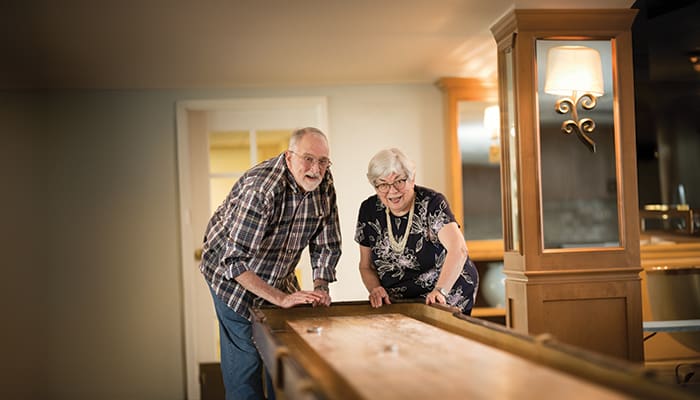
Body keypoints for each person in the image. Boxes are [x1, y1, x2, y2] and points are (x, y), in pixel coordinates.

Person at [199, 127, 342, 400]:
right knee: (247, 360)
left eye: (323, 161)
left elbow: (327, 243)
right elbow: (234, 261)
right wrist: (281, 298)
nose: (316, 168)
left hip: (278, 271)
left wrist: (321, 286)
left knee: (282, 354)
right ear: (289, 157)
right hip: (231, 277)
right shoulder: (262, 189)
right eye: (308, 159)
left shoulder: (324, 182)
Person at [354, 148, 479, 315]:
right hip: (399, 299)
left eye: (399, 181)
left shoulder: (432, 203)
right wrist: (375, 288)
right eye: (383, 184)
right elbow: (366, 266)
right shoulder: (368, 210)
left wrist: (440, 291)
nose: (392, 191)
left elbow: (459, 250)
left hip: (445, 290)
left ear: (412, 179)